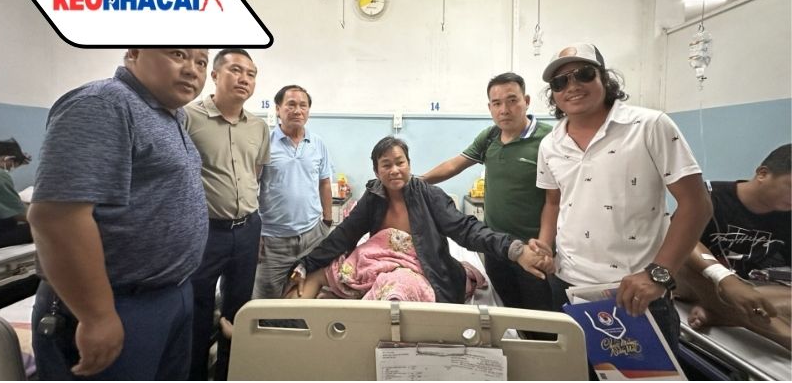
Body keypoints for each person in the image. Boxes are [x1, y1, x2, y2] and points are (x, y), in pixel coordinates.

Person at [28, 49, 210, 380]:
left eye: (201, 62)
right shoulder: (103, 104)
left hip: (170, 293)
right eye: (178, 54)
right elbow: (57, 218)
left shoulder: (172, 116)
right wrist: (96, 315)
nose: (192, 70)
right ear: (134, 53)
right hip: (116, 302)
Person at [534, 43, 713, 352]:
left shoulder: (649, 126)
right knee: (576, 371)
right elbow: (553, 201)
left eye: (583, 74)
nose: (572, 86)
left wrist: (658, 275)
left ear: (604, 78)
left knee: (645, 373)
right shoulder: (550, 144)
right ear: (553, 93)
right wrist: (544, 244)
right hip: (567, 285)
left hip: (634, 291)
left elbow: (697, 204)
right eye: (560, 82)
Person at [285, 136, 550, 303]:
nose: (394, 170)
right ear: (377, 171)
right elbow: (345, 234)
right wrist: (305, 264)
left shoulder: (429, 196)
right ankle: (291, 335)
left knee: (397, 287)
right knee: (314, 275)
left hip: (422, 268)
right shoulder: (373, 197)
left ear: (409, 164)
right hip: (378, 263)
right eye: (386, 165)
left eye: (400, 162)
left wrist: (514, 250)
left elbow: (467, 230)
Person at [422, 72, 554, 312]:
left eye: (512, 100)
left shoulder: (548, 140)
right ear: (490, 107)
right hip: (496, 246)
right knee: (506, 310)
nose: (504, 110)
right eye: (497, 103)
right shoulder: (490, 136)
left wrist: (544, 246)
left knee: (540, 315)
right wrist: (416, 181)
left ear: (526, 101)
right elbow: (454, 165)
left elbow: (554, 200)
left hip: (532, 247)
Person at [184, 49, 270, 380]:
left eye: (251, 73)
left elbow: (255, 174)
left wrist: (255, 227)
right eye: (236, 70)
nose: (244, 78)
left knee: (239, 309)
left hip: (247, 228)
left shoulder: (258, 127)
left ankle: (228, 373)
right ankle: (195, 374)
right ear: (215, 75)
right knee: (198, 308)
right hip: (205, 232)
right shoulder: (188, 118)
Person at [675, 143, 791, 349]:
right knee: (682, 262)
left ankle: (721, 315)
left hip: (744, 289)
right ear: (763, 174)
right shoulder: (710, 195)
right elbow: (679, 239)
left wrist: (738, 287)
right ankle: (786, 337)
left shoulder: (788, 217)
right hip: (695, 281)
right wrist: (725, 279)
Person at [253, 85, 334, 299]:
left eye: (303, 105)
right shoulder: (266, 143)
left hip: (312, 236)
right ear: (278, 109)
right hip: (273, 240)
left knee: (306, 294)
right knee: (266, 298)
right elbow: (251, 185)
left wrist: (327, 221)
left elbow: (324, 182)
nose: (297, 110)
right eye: (291, 104)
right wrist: (255, 230)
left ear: (308, 111)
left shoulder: (317, 143)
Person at [0, 138, 32, 250]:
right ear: (8, 159)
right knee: (34, 230)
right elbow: (21, 214)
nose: (9, 171)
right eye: (10, 167)